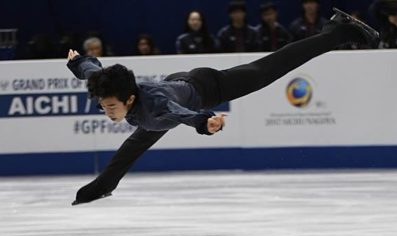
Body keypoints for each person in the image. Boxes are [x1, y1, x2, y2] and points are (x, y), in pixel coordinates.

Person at [66, 8, 379, 205]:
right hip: (175, 86)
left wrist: (205, 123)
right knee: (138, 140)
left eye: (109, 106)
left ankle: (338, 30)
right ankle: (104, 185)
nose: (106, 111)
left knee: (271, 67)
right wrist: (79, 61)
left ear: (129, 99)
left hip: (205, 88)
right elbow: (93, 70)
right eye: (104, 106)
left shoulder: (156, 105)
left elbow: (181, 114)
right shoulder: (116, 89)